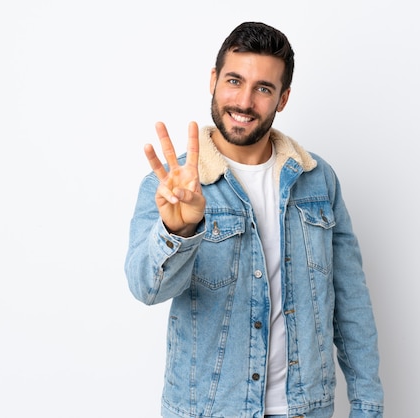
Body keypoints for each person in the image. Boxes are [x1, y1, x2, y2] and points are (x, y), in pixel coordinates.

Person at [125, 21, 384, 418]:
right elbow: (146, 288)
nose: (244, 102)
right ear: (213, 80)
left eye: (263, 88)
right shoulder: (171, 184)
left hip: (304, 408)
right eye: (233, 80)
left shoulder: (317, 180)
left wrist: (367, 405)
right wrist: (178, 230)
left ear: (283, 98)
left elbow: (350, 302)